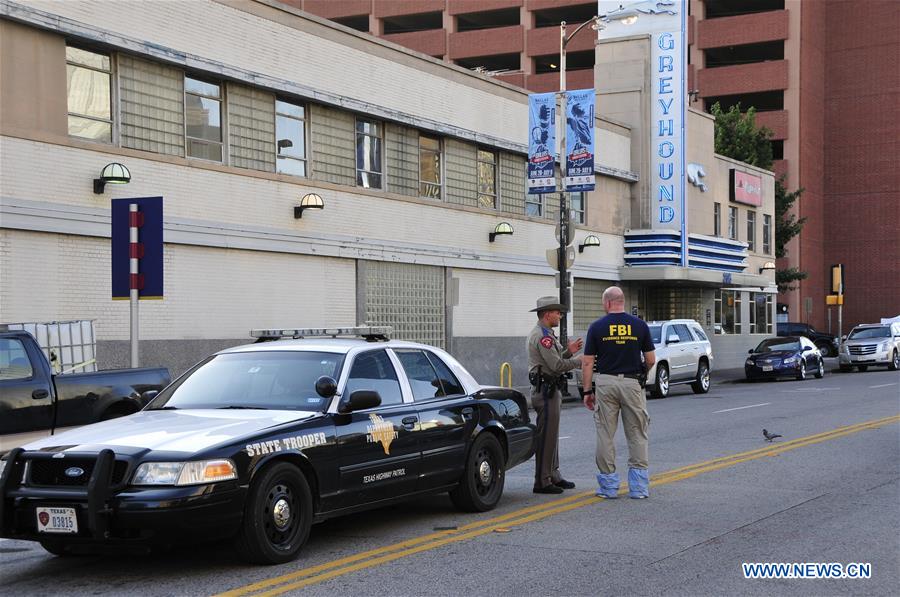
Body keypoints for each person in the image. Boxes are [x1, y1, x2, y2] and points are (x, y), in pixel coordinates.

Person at [580, 286, 656, 499]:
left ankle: (608, 487)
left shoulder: (597, 327)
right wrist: (642, 373)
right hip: (632, 382)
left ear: (607, 303)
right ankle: (639, 488)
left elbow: (587, 362)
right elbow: (651, 360)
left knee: (605, 433)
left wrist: (587, 391)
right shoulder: (640, 326)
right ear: (622, 301)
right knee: (637, 433)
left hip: (605, 383)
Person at [527, 296, 583, 494]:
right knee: (546, 437)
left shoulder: (546, 334)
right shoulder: (543, 337)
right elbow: (556, 366)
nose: (560, 315)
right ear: (546, 313)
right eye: (557, 312)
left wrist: (569, 352)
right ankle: (542, 481)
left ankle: (553, 475)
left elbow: (556, 359)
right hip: (546, 391)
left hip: (550, 389)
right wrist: (578, 360)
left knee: (552, 436)